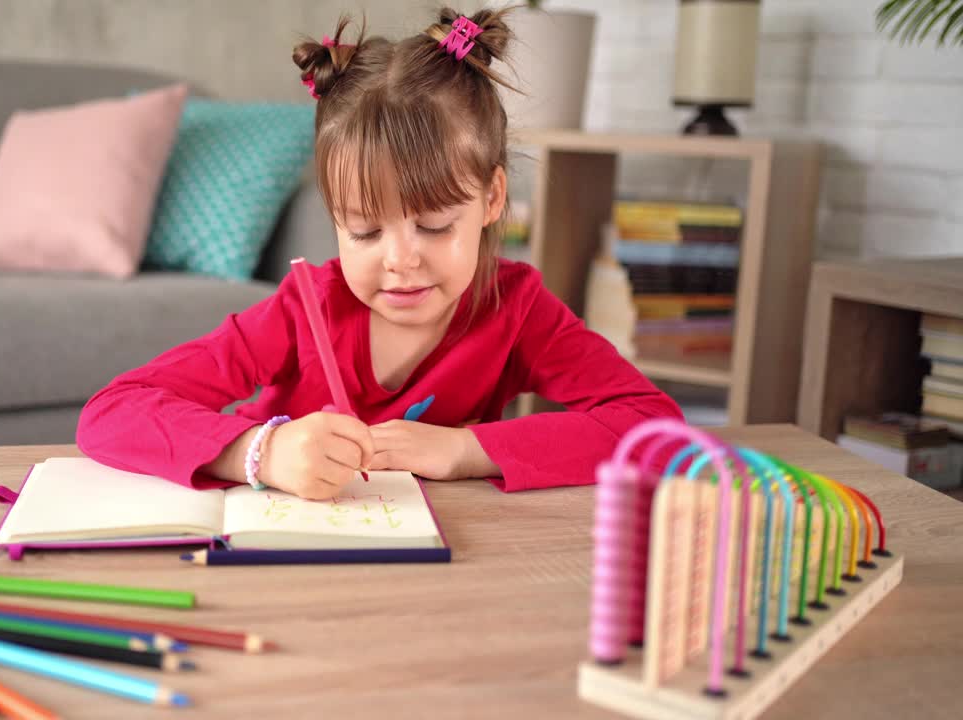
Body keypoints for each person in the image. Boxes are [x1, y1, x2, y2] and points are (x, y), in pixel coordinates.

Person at [77, 7, 682, 500]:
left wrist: (464, 451)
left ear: (493, 197)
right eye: (365, 232)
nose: (400, 260)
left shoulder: (516, 309)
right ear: (335, 215)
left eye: (436, 225)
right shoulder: (301, 310)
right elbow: (111, 412)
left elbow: (656, 431)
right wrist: (258, 452)